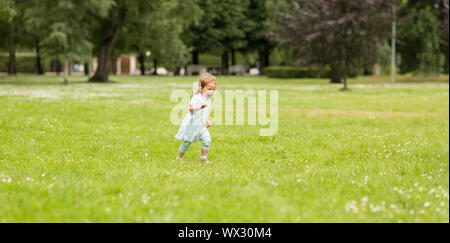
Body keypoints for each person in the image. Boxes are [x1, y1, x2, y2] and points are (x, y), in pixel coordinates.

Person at [175, 73, 217, 164]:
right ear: (202, 89)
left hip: (201, 126)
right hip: (192, 125)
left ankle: (203, 159)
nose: (212, 92)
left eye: (214, 90)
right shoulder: (196, 98)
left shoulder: (208, 100)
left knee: (207, 140)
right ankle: (178, 159)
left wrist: (207, 121)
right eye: (209, 89)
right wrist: (199, 107)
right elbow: (190, 108)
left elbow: (204, 113)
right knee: (187, 143)